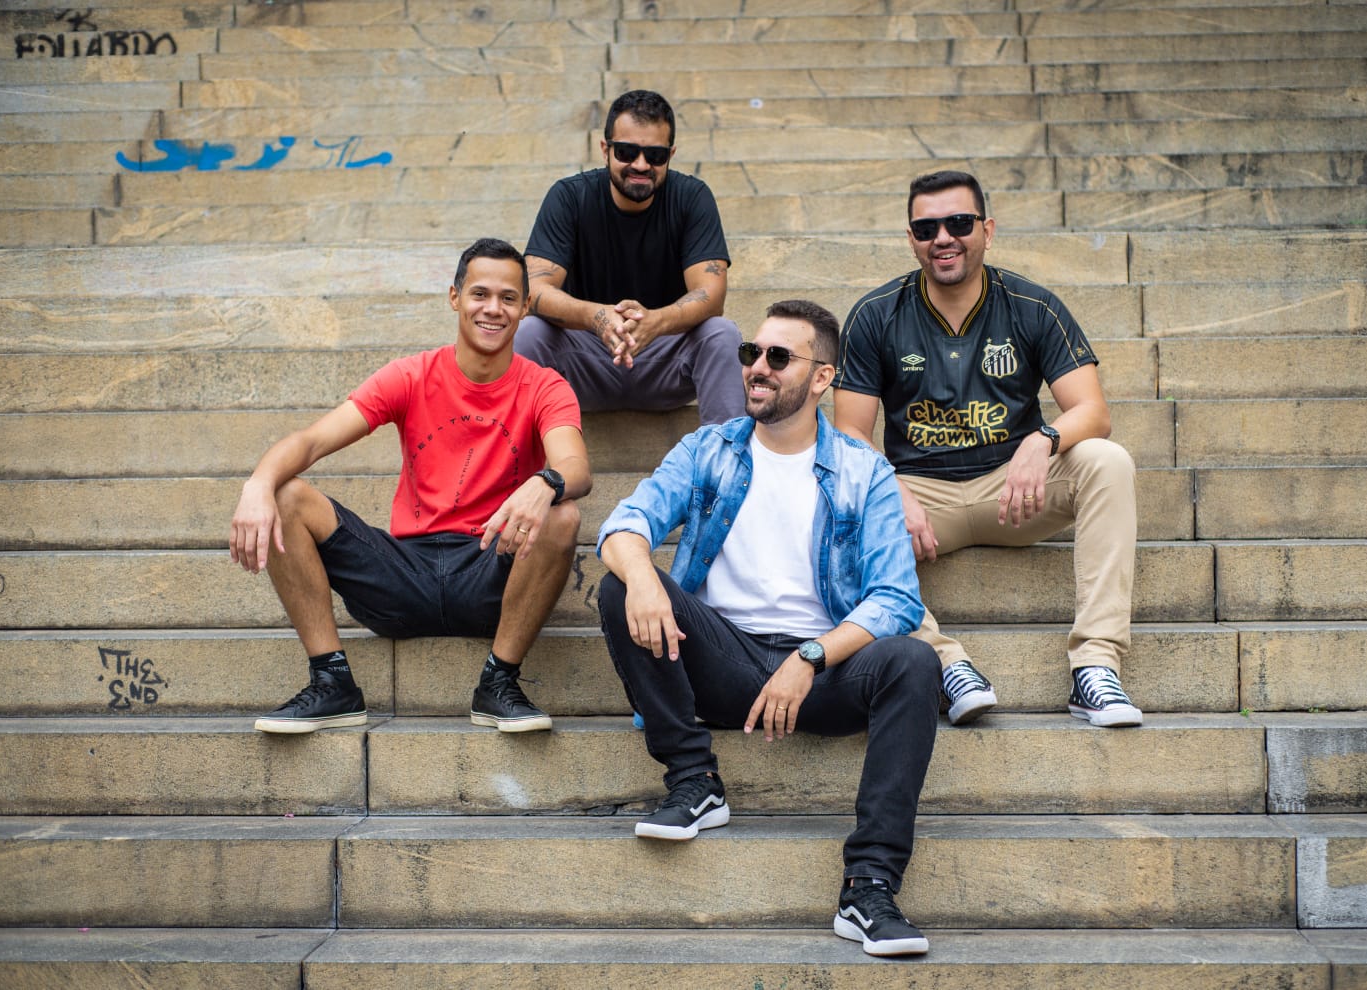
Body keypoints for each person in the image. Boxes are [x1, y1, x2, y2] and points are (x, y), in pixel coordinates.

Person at [597, 299, 940, 957]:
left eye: (777, 357)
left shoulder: (863, 470)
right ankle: (694, 782)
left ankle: (868, 886)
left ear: (821, 379)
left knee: (914, 662)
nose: (756, 367)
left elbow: (895, 599)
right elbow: (624, 524)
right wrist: (642, 578)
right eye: (750, 353)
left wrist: (810, 656)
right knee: (621, 583)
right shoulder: (709, 449)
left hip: (823, 672)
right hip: (720, 661)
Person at [229, 238, 590, 734]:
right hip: (404, 573)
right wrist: (258, 484)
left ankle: (498, 683)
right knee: (287, 494)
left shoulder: (544, 386)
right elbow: (312, 441)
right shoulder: (413, 375)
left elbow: (575, 465)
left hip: (490, 567)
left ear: (526, 307)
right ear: (454, 297)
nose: (493, 308)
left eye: (508, 298)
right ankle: (332, 683)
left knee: (563, 513)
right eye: (480, 293)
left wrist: (546, 481)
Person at [833, 170, 1142, 729]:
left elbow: (1093, 413)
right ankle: (944, 663)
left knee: (1107, 462)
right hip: (924, 503)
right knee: (836, 495)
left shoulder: (1032, 306)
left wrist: (1042, 440)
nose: (943, 237)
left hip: (1014, 492)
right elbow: (850, 433)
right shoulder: (876, 314)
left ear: (987, 229)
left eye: (959, 223)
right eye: (927, 227)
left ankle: (1096, 666)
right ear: (911, 239)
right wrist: (890, 488)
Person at [515, 88, 744, 426]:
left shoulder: (692, 197)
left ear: (671, 154)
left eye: (655, 155)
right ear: (605, 149)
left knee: (721, 334)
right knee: (530, 332)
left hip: (665, 359)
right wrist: (595, 317)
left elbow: (711, 295)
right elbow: (533, 289)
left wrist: (656, 322)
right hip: (585, 360)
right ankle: (514, 467)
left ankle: (726, 465)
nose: (640, 165)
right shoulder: (569, 197)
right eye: (626, 151)